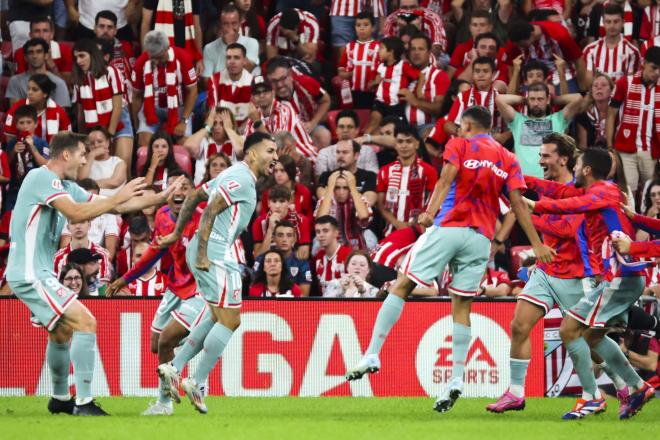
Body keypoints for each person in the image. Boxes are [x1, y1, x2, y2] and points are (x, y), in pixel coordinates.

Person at [345, 106, 553, 414]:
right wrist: (537, 244)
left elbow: (445, 179)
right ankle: (456, 379)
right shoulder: (507, 158)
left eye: (460, 127)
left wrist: (429, 212)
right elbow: (518, 205)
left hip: (449, 227)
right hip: (480, 239)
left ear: (467, 126)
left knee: (402, 285)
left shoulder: (461, 143)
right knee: (462, 306)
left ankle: (373, 353)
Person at [6, 131, 173, 415]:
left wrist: (159, 197)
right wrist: (115, 197)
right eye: (83, 154)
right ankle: (83, 402)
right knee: (86, 321)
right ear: (67, 155)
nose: (86, 159)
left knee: (60, 332)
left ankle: (59, 398)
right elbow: (77, 214)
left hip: (38, 271)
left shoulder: (65, 186)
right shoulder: (39, 178)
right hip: (30, 271)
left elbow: (115, 206)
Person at [485, 133, 622, 416]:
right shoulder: (550, 189)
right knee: (519, 326)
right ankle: (516, 393)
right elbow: (529, 190)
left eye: (546, 155)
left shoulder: (580, 191)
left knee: (589, 340)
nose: (540, 160)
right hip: (547, 272)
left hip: (574, 276)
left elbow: (567, 231)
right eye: (540, 155)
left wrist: (525, 212)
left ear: (564, 159)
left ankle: (623, 383)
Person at [524, 147, 656, 419]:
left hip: (623, 277)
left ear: (586, 169)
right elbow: (560, 192)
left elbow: (571, 206)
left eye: (577, 164)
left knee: (569, 329)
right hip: (616, 278)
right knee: (591, 335)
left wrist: (536, 206)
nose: (572, 168)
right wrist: (522, 180)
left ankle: (592, 397)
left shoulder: (605, 190)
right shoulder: (595, 192)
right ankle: (636, 387)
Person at [156, 132, 278, 414]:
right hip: (216, 252)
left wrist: (177, 233)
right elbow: (210, 208)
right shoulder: (243, 179)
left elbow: (196, 195)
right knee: (231, 320)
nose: (275, 157)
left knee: (216, 316)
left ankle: (174, 367)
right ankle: (196, 380)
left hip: (208, 248)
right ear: (251, 154)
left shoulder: (233, 174)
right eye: (270, 151)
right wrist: (201, 254)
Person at [107, 171, 209, 416]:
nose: (180, 192)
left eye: (186, 187)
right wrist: (124, 278)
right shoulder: (163, 217)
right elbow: (154, 252)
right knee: (157, 346)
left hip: (198, 289)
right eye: (175, 187)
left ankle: (164, 404)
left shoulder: (202, 220)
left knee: (166, 341)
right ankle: (197, 336)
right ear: (167, 194)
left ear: (193, 194)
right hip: (175, 287)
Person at [496, 84, 587, 178]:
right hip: (523, 181)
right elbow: (500, 99)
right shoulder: (518, 120)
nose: (536, 103)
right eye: (532, 99)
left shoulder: (558, 119)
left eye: (540, 99)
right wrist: (525, 100)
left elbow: (578, 98)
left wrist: (553, 100)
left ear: (547, 99)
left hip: (549, 182)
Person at [606, 47, 660, 197]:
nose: (657, 73)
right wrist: (610, 147)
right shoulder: (625, 83)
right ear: (644, 63)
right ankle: (630, 221)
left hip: (651, 150)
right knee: (629, 193)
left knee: (651, 193)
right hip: (625, 149)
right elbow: (611, 115)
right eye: (654, 68)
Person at [72, 39, 134, 170]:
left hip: (118, 122)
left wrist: (109, 135)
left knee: (122, 167)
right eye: (76, 57)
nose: (78, 61)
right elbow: (81, 114)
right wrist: (83, 140)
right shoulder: (78, 80)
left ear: (92, 55)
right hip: (94, 128)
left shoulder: (111, 71)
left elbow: (117, 106)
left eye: (82, 56)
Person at [132, 30, 198, 146]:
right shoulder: (140, 63)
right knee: (144, 145)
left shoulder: (183, 58)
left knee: (185, 146)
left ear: (167, 48)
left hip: (179, 108)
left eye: (160, 57)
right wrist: (136, 124)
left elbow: (192, 91)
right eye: (153, 57)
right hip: (151, 108)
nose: (156, 61)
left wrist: (184, 121)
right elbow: (136, 96)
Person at [377, 124, 438, 235]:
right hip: (391, 231)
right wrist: (396, 223)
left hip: (420, 232)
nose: (404, 146)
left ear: (417, 144)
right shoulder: (384, 171)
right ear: (395, 145)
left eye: (408, 141)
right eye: (400, 142)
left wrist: (416, 222)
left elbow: (432, 201)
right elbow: (381, 204)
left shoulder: (429, 171)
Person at [244, 75, 317, 161]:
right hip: (280, 163)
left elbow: (278, 145)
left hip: (305, 159)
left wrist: (257, 122)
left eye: (265, 91)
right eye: (257, 93)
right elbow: (247, 148)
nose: (262, 95)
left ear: (273, 92)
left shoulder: (284, 110)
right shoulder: (253, 116)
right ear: (252, 97)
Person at [503, 18, 586, 91]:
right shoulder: (515, 40)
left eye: (523, 46)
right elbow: (511, 66)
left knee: (568, 99)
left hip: (561, 74)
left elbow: (578, 60)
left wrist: (583, 88)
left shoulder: (559, 35)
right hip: (531, 78)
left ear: (532, 35)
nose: (520, 48)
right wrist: (515, 89)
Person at [364, 37, 421, 134]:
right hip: (380, 103)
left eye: (381, 48)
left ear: (390, 52)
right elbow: (371, 85)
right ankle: (360, 145)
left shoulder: (403, 66)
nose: (378, 51)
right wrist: (374, 83)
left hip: (397, 106)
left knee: (395, 130)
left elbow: (420, 76)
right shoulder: (381, 66)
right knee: (373, 123)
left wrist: (417, 92)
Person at [266, 57, 331, 137]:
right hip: (284, 137)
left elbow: (326, 100)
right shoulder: (267, 97)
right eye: (274, 81)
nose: (280, 85)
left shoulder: (305, 83)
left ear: (290, 74)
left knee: (323, 135)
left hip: (309, 129)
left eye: (283, 78)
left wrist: (313, 123)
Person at [4, 105, 50, 212]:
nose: (25, 126)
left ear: (36, 123)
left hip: (36, 191)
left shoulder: (42, 143)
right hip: (15, 190)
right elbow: (5, 166)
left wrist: (33, 149)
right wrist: (13, 152)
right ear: (16, 125)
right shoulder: (12, 144)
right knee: (10, 221)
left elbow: (46, 165)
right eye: (21, 123)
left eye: (29, 122)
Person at [4, 74, 71, 145]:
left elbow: (67, 140)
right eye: (28, 89)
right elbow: (10, 140)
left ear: (45, 94)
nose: (29, 93)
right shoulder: (17, 108)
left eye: (34, 90)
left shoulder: (58, 112)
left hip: (50, 153)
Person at [582, 4, 640, 85]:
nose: (612, 26)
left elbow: (630, 84)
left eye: (616, 21)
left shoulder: (633, 52)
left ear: (623, 22)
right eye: (608, 22)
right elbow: (588, 84)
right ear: (603, 23)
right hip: (597, 96)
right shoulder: (590, 50)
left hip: (620, 97)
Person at [184, 108, 243, 186]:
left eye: (222, 123)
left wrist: (229, 129)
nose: (217, 127)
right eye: (214, 123)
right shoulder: (203, 140)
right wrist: (207, 127)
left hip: (230, 192)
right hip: (203, 192)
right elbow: (188, 145)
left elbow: (240, 150)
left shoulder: (238, 140)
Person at [403, 33, 450, 132]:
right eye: (413, 49)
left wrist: (415, 102)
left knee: (429, 133)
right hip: (402, 126)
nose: (416, 53)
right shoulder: (401, 73)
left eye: (421, 49)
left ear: (429, 53)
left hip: (427, 126)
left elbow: (439, 109)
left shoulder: (439, 76)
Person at [6, 38, 71, 109]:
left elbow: (61, 115)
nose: (35, 56)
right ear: (25, 57)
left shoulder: (59, 83)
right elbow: (15, 112)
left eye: (39, 52)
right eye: (31, 52)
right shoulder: (15, 81)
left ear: (46, 55)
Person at [140, 0, 203, 72]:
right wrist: (144, 58)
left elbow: (196, 26)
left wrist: (199, 58)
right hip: (159, 54)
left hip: (185, 52)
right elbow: (145, 24)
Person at [253, 220, 312, 296]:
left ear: (295, 238)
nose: (284, 239)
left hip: (292, 305)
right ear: (273, 238)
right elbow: (254, 289)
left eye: (289, 235)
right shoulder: (262, 259)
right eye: (280, 235)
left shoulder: (301, 262)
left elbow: (304, 295)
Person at [252, 185, 312, 259]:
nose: (277, 206)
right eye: (274, 201)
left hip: (292, 266)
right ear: (268, 203)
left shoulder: (301, 220)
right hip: (268, 267)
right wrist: (270, 230)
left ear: (289, 202)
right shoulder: (259, 222)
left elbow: (304, 256)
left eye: (282, 201)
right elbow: (258, 258)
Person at [315, 110, 379, 178]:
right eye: (341, 127)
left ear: (357, 130)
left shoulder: (367, 151)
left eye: (350, 127)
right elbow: (320, 183)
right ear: (336, 129)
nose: (345, 130)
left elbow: (373, 179)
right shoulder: (324, 153)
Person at [54, 219, 113, 292]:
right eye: (73, 223)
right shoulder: (58, 257)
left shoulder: (102, 255)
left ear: (89, 225)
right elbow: (57, 289)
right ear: (68, 227)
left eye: (82, 222)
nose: (78, 226)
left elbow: (103, 289)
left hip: (95, 301)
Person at [337, 13, 381, 109]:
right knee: (354, 112)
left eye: (366, 25)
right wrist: (349, 74)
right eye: (358, 25)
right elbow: (341, 69)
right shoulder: (349, 47)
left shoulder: (379, 47)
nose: (361, 28)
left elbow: (382, 69)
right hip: (352, 90)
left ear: (373, 28)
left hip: (372, 91)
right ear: (355, 28)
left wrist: (375, 81)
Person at [202, 5, 259, 77]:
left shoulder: (252, 43)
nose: (230, 28)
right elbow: (207, 80)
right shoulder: (209, 49)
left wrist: (233, 46)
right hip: (220, 87)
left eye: (234, 23)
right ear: (220, 25)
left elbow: (251, 70)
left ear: (239, 23)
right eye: (226, 24)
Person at [206, 43, 253, 128]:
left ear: (245, 61)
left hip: (246, 130)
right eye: (228, 58)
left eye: (236, 58)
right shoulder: (215, 79)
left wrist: (239, 133)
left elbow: (255, 114)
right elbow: (212, 112)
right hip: (221, 129)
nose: (232, 62)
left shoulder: (254, 81)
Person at [78, 126, 127, 197]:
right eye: (92, 143)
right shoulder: (85, 161)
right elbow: (82, 180)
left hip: (114, 202)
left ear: (107, 142)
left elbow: (115, 182)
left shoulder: (119, 162)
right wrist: (91, 155)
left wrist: (90, 185)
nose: (96, 145)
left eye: (99, 141)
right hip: (90, 201)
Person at [260, 156, 313, 220]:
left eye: (282, 170)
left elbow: (309, 218)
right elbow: (263, 218)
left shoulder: (303, 191)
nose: (278, 174)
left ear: (290, 171)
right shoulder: (268, 193)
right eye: (276, 171)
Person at [313, 215, 352, 296]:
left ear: (336, 233)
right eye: (318, 232)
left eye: (325, 231)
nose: (321, 235)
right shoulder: (317, 257)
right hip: (322, 305)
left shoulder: (349, 255)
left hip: (344, 304)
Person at [576, 73, 614, 149]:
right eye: (595, 86)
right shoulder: (583, 115)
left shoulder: (618, 114)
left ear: (611, 91)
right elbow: (582, 147)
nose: (599, 87)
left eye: (603, 85)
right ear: (591, 92)